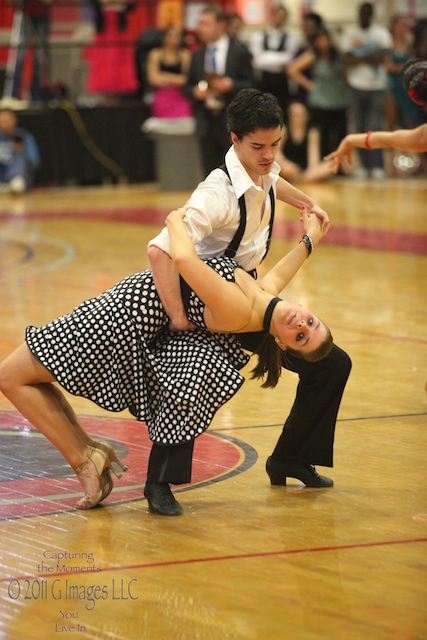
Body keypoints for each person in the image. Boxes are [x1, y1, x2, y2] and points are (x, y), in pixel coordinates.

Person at [0, 196, 331, 511]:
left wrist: (176, 218)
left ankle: (85, 461)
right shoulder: (263, 297)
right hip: (127, 307)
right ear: (306, 307)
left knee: (10, 377)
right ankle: (87, 453)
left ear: (283, 345)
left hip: (122, 316)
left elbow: (181, 259)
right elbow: (277, 277)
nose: (300, 322)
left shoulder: (240, 312)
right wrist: (310, 239)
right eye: (311, 321)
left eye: (300, 336)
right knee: (31, 376)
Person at [146, 88, 352, 516]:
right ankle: (158, 483)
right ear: (235, 139)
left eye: (275, 144)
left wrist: (308, 202)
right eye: (259, 146)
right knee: (193, 374)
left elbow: (274, 178)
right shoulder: (215, 194)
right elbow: (160, 250)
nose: (269, 155)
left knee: (332, 361)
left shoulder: (262, 166)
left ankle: (291, 457)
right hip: (210, 307)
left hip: (252, 300)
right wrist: (179, 318)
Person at [183, 3, 254, 177]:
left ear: (220, 25)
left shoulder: (239, 51)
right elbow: (187, 86)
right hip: (206, 120)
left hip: (231, 120)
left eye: (206, 23)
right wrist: (195, 92)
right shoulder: (197, 55)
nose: (200, 28)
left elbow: (251, 84)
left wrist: (231, 85)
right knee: (210, 173)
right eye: (200, 23)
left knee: (235, 172)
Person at [325, 58, 427, 173]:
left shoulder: (424, 136)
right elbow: (389, 139)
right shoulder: (423, 136)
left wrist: (350, 140)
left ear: (417, 100)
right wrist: (350, 140)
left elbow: (389, 139)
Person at [340, 2, 392, 179]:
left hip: (377, 87)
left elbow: (382, 56)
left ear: (371, 15)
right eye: (361, 13)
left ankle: (377, 165)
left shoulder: (381, 33)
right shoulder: (350, 35)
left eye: (367, 13)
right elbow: (346, 59)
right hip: (356, 86)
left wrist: (358, 56)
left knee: (376, 126)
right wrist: (370, 56)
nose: (364, 16)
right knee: (359, 127)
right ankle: (363, 166)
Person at [287, 28, 348, 159]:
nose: (323, 43)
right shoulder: (313, 55)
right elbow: (292, 69)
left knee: (339, 135)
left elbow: (345, 74)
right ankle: (323, 162)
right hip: (320, 101)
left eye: (325, 39)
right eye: (319, 40)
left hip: (338, 99)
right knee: (322, 135)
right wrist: (309, 85)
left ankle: (340, 164)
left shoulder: (338, 56)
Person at [85, 0, 138, 103]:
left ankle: (117, 101)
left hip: (120, 38)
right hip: (103, 38)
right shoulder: (99, 5)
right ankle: (107, 102)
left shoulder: (122, 5)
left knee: (119, 66)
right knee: (105, 66)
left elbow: (133, 6)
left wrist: (120, 3)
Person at [250, 4, 299, 112]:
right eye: (278, 15)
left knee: (281, 111)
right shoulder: (259, 36)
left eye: (283, 16)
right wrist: (280, 58)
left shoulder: (291, 38)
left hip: (282, 80)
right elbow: (257, 61)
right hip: (264, 79)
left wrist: (265, 56)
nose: (280, 19)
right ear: (272, 15)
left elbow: (289, 59)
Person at [276, 101, 334, 183]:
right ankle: (302, 179)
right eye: (295, 115)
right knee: (281, 167)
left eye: (301, 115)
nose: (298, 118)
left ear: (306, 116)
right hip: (289, 167)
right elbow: (277, 152)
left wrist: (312, 171)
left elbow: (314, 157)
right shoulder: (284, 130)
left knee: (332, 165)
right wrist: (286, 164)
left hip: (306, 170)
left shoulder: (312, 132)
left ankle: (302, 179)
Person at [146, 25, 193, 119]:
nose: (175, 39)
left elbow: (186, 80)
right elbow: (153, 79)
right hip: (161, 97)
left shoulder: (185, 55)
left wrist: (164, 77)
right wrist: (176, 79)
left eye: (178, 36)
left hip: (181, 96)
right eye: (171, 35)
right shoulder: (155, 54)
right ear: (164, 37)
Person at [10, 0, 52, 102]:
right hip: (24, 12)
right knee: (19, 57)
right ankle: (13, 95)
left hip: (41, 13)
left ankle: (36, 97)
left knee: (39, 58)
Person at [0, 107, 41, 193]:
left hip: (18, 174)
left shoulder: (24, 137)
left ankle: (16, 184)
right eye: (2, 121)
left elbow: (35, 163)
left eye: (7, 120)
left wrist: (23, 151)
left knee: (19, 157)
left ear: (14, 120)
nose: (5, 124)